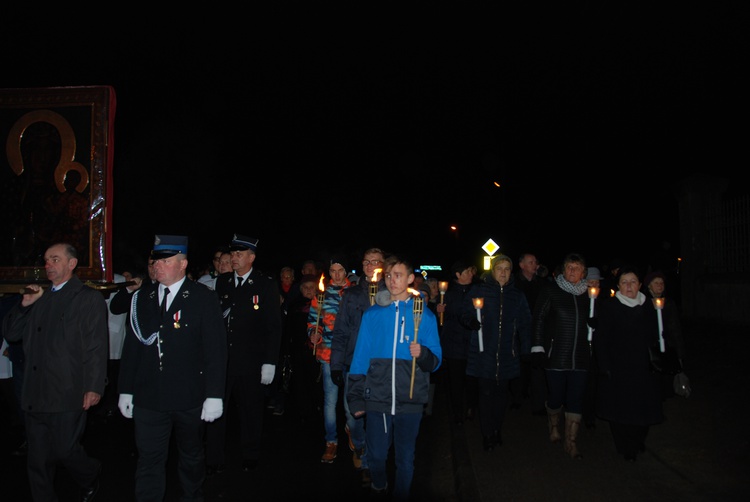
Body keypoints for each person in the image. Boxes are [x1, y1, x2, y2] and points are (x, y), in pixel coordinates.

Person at [117, 235, 227, 501]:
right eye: (156, 260)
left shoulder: (202, 297)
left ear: (183, 264)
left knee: (190, 457)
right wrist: (125, 390)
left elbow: (215, 349)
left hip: (189, 395)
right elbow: (132, 348)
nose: (158, 265)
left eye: (166, 261)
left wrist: (214, 394)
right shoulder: (141, 298)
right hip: (149, 395)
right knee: (149, 459)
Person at [3, 242, 108, 502]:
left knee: (65, 450)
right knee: (37, 461)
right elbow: (11, 334)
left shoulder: (87, 298)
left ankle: (90, 472)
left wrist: (94, 386)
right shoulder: (39, 297)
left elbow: (96, 345)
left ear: (71, 264)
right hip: (35, 390)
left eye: (55, 259)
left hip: (67, 389)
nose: (48, 264)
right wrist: (24, 305)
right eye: (47, 260)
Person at [347, 256, 442, 500]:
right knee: (377, 455)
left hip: (409, 398)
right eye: (388, 276)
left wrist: (423, 354)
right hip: (377, 397)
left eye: (398, 275)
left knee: (405, 458)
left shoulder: (426, 316)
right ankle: (379, 483)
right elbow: (360, 356)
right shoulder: (373, 314)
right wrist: (356, 397)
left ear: (410, 279)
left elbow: (436, 361)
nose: (392, 280)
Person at [206, 234, 282, 474]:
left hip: (251, 361)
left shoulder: (265, 284)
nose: (234, 258)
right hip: (224, 361)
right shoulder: (223, 282)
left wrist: (270, 362)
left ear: (252, 257)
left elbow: (273, 327)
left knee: (251, 410)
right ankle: (214, 458)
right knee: (216, 410)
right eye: (233, 254)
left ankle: (250, 454)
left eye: (239, 254)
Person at [593, 264, 664, 461]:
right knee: (621, 411)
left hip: (644, 367)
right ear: (618, 286)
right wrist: (605, 365)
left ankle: (638, 439)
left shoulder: (650, 306)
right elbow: (602, 339)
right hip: (619, 367)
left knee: (644, 410)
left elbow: (657, 335)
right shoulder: (610, 307)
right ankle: (626, 446)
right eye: (624, 282)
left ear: (640, 285)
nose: (629, 286)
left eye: (633, 282)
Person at [330, 247, 386, 485]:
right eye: (366, 262)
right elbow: (341, 332)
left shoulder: (392, 293)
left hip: (381, 367)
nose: (371, 266)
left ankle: (369, 464)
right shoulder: (351, 295)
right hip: (353, 364)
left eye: (376, 262)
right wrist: (335, 364)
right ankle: (359, 445)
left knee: (375, 417)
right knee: (353, 416)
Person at [464, 254, 532, 452]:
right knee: (486, 395)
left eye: (507, 269)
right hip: (484, 353)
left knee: (501, 396)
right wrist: (471, 321)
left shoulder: (517, 296)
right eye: (499, 268)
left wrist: (526, 349)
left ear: (511, 272)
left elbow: (525, 324)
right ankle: (487, 433)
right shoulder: (479, 291)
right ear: (493, 271)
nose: (503, 273)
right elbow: (465, 312)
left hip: (506, 355)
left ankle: (497, 429)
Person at [531, 252, 591, 459]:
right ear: (563, 270)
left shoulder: (589, 295)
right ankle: (553, 425)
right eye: (569, 267)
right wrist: (538, 347)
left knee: (576, 399)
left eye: (577, 268)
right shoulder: (551, 290)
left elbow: (595, 322)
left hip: (581, 356)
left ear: (583, 272)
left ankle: (571, 441)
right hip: (556, 354)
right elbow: (538, 319)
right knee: (556, 396)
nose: (572, 271)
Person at [308, 255, 353, 463]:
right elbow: (312, 321)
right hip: (327, 353)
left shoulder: (355, 293)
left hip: (350, 355)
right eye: (333, 270)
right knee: (330, 401)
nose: (336, 275)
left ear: (346, 272)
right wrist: (313, 333)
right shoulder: (321, 295)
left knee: (349, 401)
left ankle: (353, 431)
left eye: (340, 270)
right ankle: (331, 441)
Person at [435, 260, 479, 425]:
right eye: (466, 272)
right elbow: (440, 320)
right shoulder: (448, 294)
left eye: (471, 271)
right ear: (458, 275)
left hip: (473, 343)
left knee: (472, 380)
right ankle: (457, 413)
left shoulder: (477, 291)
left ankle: (471, 406)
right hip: (454, 344)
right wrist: (439, 311)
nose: (470, 275)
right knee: (456, 382)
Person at [642, 270, 687, 399]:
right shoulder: (644, 303)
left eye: (662, 283)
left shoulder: (669, 303)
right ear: (649, 285)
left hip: (667, 344)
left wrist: (679, 352)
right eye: (656, 283)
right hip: (650, 346)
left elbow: (675, 328)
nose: (660, 286)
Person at [286, 274, 324, 423]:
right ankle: (303, 410)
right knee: (300, 380)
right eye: (306, 288)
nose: (309, 290)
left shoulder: (321, 305)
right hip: (299, 349)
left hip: (316, 348)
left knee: (316, 379)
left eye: (311, 288)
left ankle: (317, 408)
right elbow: (289, 328)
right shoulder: (295, 305)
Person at [513, 252, 546, 415]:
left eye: (535, 262)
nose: (535, 265)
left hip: (537, 330)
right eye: (531, 262)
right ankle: (517, 397)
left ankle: (538, 403)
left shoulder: (541, 284)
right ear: (522, 265)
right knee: (519, 364)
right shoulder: (514, 283)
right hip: (518, 330)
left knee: (536, 365)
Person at [582, 266, 604, 429]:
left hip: (598, 349)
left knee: (595, 383)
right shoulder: (580, 300)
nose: (594, 286)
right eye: (590, 283)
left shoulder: (604, 302)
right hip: (582, 348)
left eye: (596, 283)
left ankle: (593, 414)